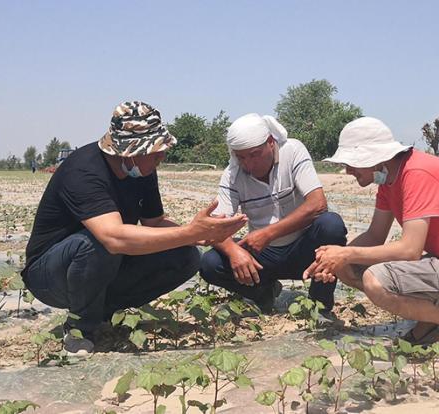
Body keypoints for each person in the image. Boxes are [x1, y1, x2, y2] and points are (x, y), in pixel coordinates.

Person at [22, 101, 247, 354]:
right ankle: (79, 329)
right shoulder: (83, 170)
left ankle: (102, 312)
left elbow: (155, 223)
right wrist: (190, 232)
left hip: (105, 263)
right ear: (128, 152)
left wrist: (206, 236)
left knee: (185, 256)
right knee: (96, 242)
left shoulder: (142, 170)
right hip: (50, 275)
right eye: (155, 150)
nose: (162, 156)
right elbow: (113, 238)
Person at [304, 117, 439, 351]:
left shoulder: (417, 173)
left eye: (352, 163)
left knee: (375, 281)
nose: (347, 170)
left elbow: (410, 250)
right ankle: (431, 319)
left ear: (373, 157)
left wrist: (345, 254)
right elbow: (376, 235)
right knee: (347, 268)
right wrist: (335, 260)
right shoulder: (388, 181)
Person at [199, 113, 347, 316]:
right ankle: (263, 294)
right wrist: (234, 252)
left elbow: (317, 204)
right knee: (210, 264)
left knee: (331, 225)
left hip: (303, 249)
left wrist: (268, 234)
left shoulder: (292, 151)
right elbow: (214, 226)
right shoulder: (233, 174)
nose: (248, 164)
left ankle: (320, 305)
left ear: (270, 142)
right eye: (241, 157)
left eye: (254, 155)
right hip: (263, 255)